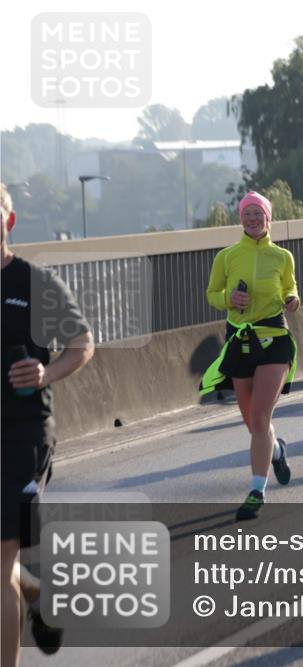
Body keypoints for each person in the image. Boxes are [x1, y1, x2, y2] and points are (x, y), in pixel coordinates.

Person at [2, 183, 95, 666]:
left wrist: (45, 372)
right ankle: (38, 595)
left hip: (24, 433)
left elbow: (82, 343)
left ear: (8, 221)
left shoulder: (33, 283)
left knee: (0, 563)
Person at [200, 190, 299, 521]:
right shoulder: (227, 257)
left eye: (259, 214)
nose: (253, 219)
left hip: (273, 339)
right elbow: (212, 294)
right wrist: (230, 299)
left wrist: (292, 299)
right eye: (248, 214)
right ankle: (277, 449)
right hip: (239, 341)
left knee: (259, 418)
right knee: (254, 424)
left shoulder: (282, 256)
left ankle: (257, 491)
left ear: (269, 218)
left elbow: (290, 287)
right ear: (240, 218)